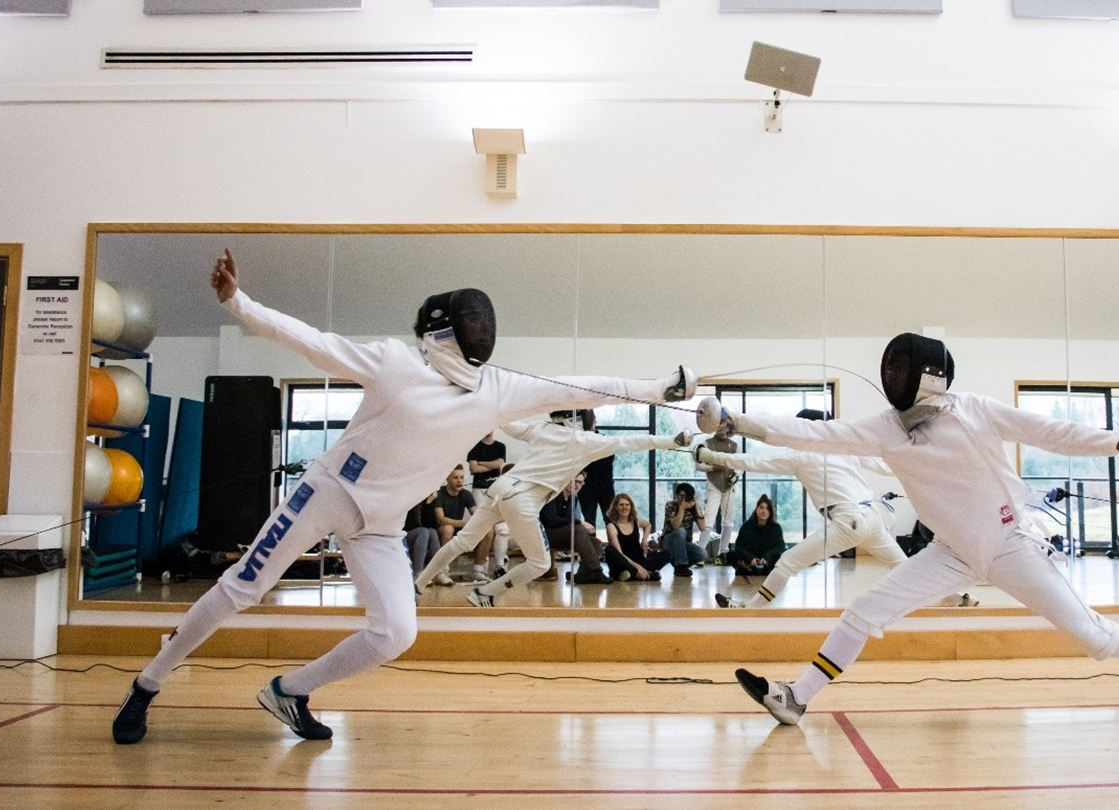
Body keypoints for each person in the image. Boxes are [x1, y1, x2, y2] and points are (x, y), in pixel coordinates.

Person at [111, 248, 698, 745]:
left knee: (396, 632)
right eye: (472, 321)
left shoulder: (496, 390)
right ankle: (148, 683)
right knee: (242, 586)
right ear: (442, 327)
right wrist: (238, 304)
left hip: (381, 526)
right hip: (328, 492)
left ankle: (289, 691)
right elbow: (312, 343)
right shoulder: (395, 362)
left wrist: (656, 388)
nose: (482, 330)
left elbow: (583, 385)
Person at [701, 333, 1119, 726]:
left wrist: (1118, 444)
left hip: (1011, 545)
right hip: (951, 552)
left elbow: (1048, 431)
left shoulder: (974, 411)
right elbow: (816, 435)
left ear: (925, 376)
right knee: (864, 611)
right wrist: (736, 422)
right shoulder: (885, 429)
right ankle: (796, 699)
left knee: (1091, 633)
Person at [415, 410, 690, 606]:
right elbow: (629, 442)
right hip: (522, 500)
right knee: (540, 563)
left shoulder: (541, 428)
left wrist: (487, 405)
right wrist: (671, 441)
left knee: (464, 541)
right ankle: (486, 592)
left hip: (500, 487)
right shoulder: (585, 441)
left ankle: (417, 586)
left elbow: (506, 422)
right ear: (577, 420)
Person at [702, 409, 908, 609]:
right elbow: (886, 467)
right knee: (904, 567)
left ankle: (751, 607)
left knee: (787, 562)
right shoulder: (846, 450)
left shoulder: (801, 458)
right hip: (873, 517)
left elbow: (754, 461)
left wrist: (711, 456)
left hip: (848, 520)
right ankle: (933, 602)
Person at [539, 473, 610, 584]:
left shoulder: (573, 498)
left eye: (580, 482)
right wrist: (580, 522)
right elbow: (551, 520)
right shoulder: (552, 495)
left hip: (562, 534)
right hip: (545, 534)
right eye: (574, 481)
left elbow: (568, 522)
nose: (577, 485)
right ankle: (596, 570)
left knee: (595, 542)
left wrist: (578, 524)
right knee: (578, 529)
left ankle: (583, 574)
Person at [434, 465, 490, 584]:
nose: (459, 481)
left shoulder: (466, 494)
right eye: (455, 477)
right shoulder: (440, 494)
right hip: (439, 530)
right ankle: (442, 570)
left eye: (462, 477)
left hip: (458, 528)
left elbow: (477, 515)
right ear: (447, 479)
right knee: (448, 529)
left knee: (488, 530)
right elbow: (441, 519)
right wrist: (465, 523)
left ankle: (477, 570)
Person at [467, 432, 511, 576]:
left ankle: (500, 566)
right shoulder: (474, 446)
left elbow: (500, 464)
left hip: (495, 489)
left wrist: (482, 463)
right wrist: (492, 466)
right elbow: (473, 469)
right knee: (486, 526)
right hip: (479, 489)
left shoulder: (500, 446)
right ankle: (479, 565)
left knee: (503, 529)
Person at [696, 425, 740, 561]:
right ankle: (699, 554)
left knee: (728, 521)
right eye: (718, 425)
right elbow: (698, 465)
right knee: (708, 520)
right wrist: (713, 468)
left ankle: (723, 553)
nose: (721, 428)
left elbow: (741, 464)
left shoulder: (735, 445)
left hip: (729, 486)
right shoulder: (707, 443)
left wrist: (735, 476)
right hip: (713, 486)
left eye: (724, 425)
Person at [602, 493, 667, 581]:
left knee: (667, 554)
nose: (624, 508)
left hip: (638, 560)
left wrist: (644, 540)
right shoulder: (611, 526)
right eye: (621, 505)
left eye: (627, 505)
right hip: (623, 562)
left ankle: (631, 574)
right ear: (616, 507)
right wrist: (638, 568)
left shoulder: (635, 520)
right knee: (609, 549)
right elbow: (620, 554)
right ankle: (645, 574)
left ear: (631, 507)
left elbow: (648, 525)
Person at [726, 494, 786, 576]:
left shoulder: (776, 527)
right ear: (756, 509)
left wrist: (767, 557)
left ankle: (765, 569)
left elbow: (781, 546)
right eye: (761, 507)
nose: (763, 511)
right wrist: (750, 558)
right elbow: (739, 547)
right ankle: (747, 568)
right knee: (730, 555)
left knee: (783, 556)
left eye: (767, 509)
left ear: (770, 512)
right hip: (750, 560)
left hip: (767, 560)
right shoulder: (747, 526)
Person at [577, 411, 617, 531]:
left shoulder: (605, 440)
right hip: (587, 488)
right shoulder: (582, 442)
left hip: (605, 487)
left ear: (595, 423)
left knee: (612, 521)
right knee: (589, 522)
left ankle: (614, 547)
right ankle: (592, 547)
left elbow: (608, 459)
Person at [659, 482, 708, 577]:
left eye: (687, 496)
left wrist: (697, 506)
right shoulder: (670, 505)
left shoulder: (693, 507)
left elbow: (702, 528)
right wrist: (682, 508)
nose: (684, 499)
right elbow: (675, 526)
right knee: (680, 530)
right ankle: (681, 567)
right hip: (668, 542)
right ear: (677, 495)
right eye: (682, 496)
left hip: (684, 545)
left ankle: (679, 564)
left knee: (702, 554)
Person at [403, 489, 449, 586]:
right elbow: (409, 525)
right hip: (402, 534)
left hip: (416, 534)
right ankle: (417, 573)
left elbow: (432, 525)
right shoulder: (408, 498)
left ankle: (437, 572)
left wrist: (428, 503)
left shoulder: (424, 499)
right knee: (423, 531)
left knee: (432, 532)